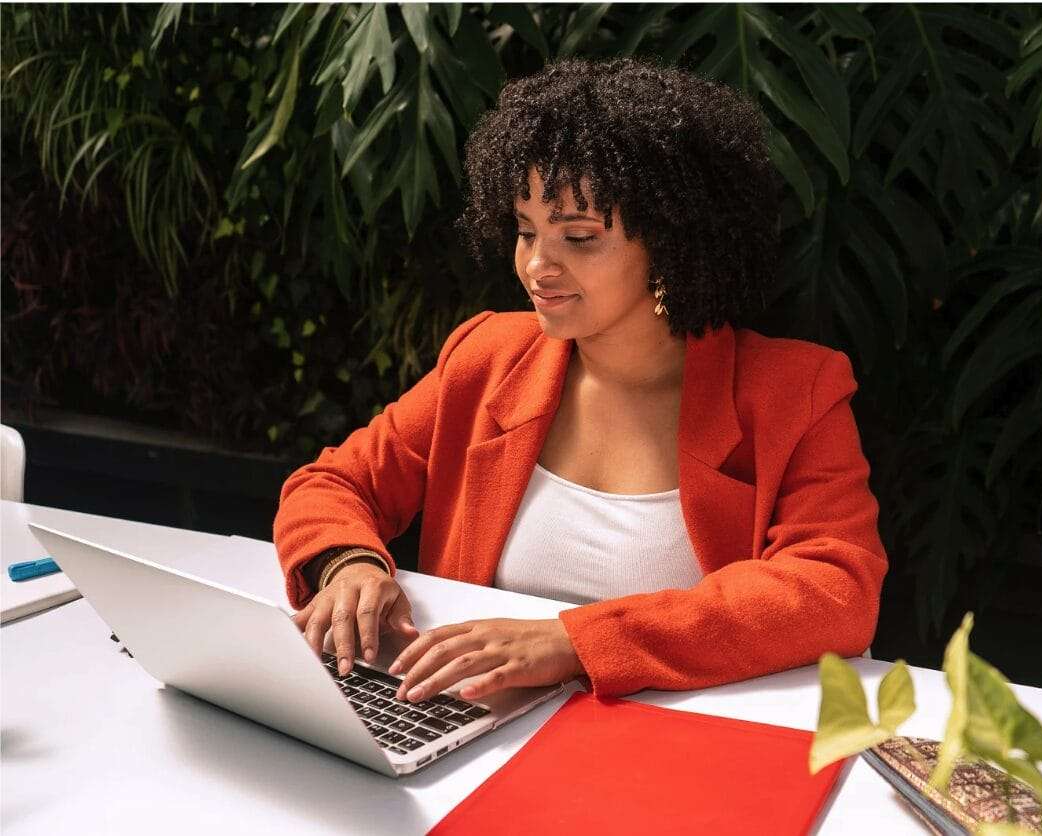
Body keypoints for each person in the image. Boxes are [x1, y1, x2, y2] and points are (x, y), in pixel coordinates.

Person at [273, 56, 887, 705]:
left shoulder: (795, 390)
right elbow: (332, 483)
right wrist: (348, 564)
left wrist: (573, 643)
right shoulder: (488, 358)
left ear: (673, 242)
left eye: (580, 236)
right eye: (525, 230)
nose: (539, 265)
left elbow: (835, 589)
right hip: (479, 727)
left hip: (685, 746)